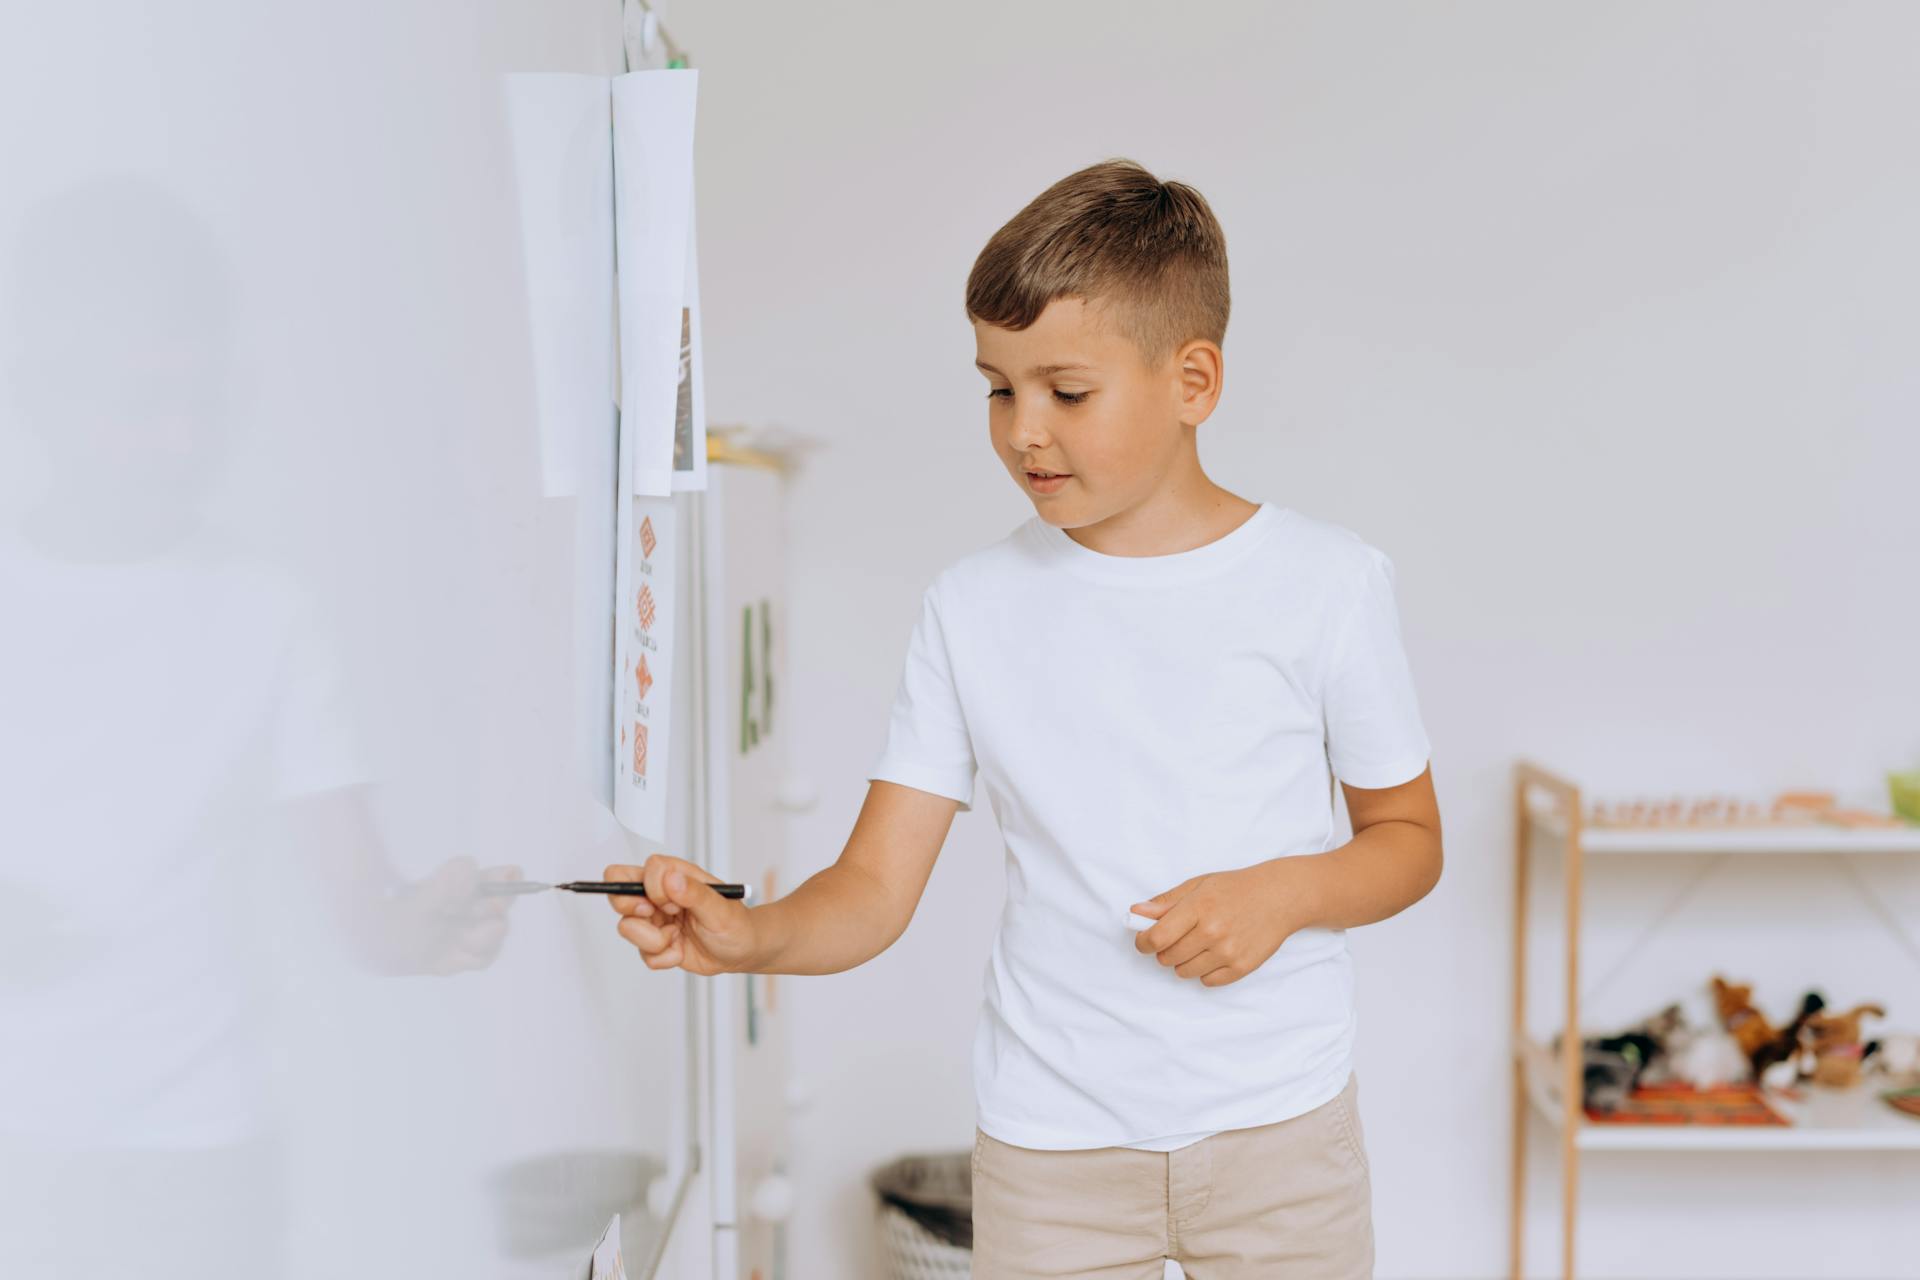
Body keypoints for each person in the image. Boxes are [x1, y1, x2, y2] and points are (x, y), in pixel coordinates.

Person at [604, 158, 1443, 1279]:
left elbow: (1410, 841)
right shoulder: (971, 607)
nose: (1023, 431)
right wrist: (749, 936)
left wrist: (1282, 891)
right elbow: (873, 890)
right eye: (1000, 389)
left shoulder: (1327, 583)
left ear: (1194, 381)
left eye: (1067, 391)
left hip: (1280, 1137)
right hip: (1051, 1154)